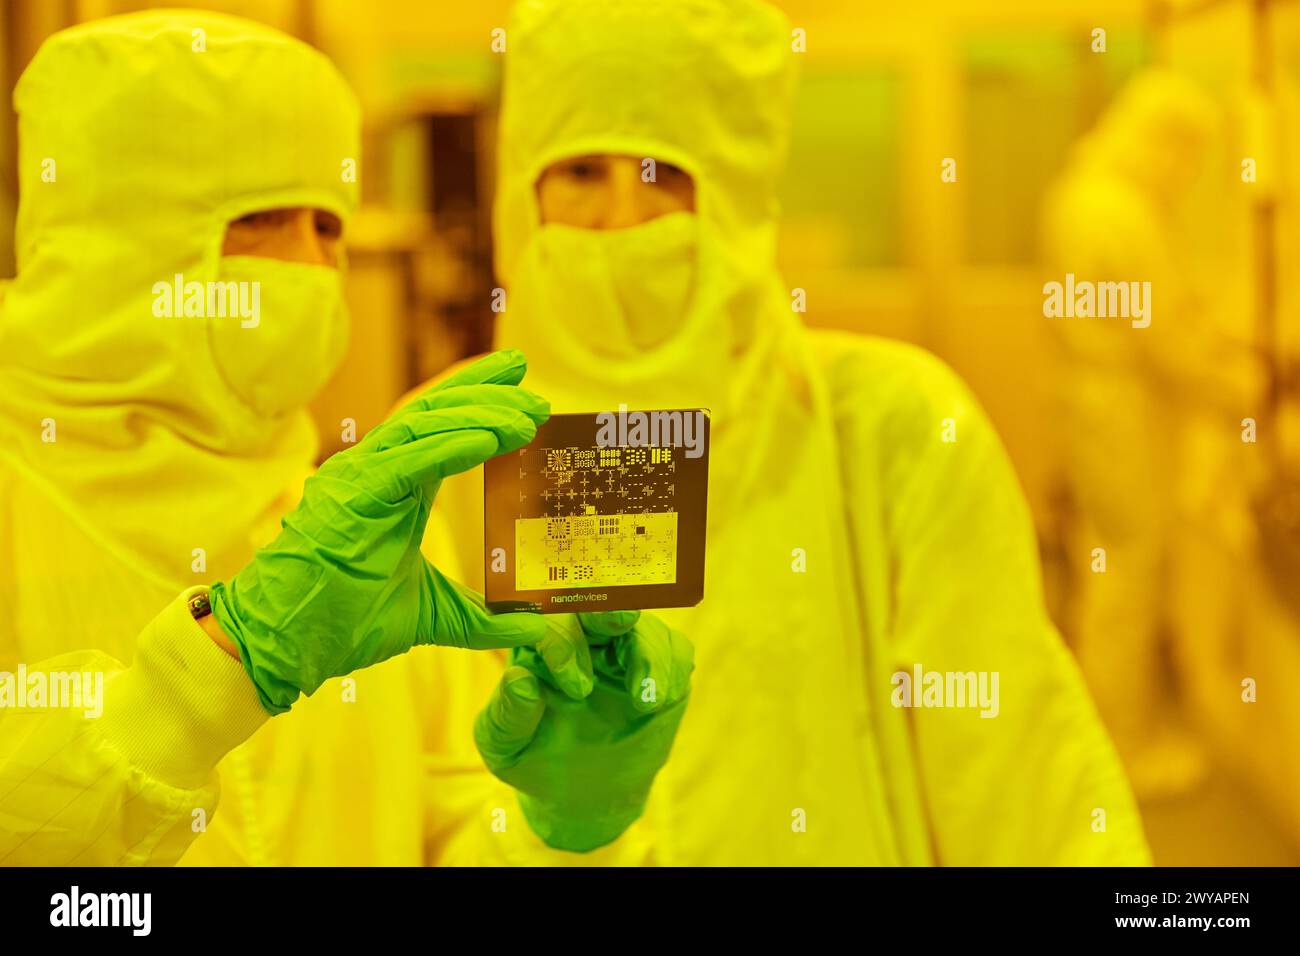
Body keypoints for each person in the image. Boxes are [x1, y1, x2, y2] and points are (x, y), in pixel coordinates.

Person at [417, 0, 1152, 865]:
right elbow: (419, 811)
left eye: (663, 171)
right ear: (519, 191)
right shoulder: (445, 457)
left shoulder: (889, 429)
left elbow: (1022, 788)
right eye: (581, 171)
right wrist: (563, 828)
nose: (622, 219)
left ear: (738, 192)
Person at [0, 10, 691, 865]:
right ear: (111, 233)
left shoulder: (365, 528)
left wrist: (568, 826)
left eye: (327, 228)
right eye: (258, 222)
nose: (305, 268)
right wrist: (209, 676)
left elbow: (446, 828)